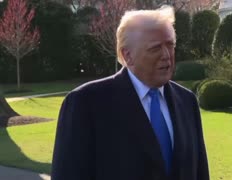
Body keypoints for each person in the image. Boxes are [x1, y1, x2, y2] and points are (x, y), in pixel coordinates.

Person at [51, 6, 209, 180]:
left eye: (170, 45)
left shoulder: (187, 102)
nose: (166, 55)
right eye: (155, 48)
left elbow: (200, 172)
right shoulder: (85, 103)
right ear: (128, 56)